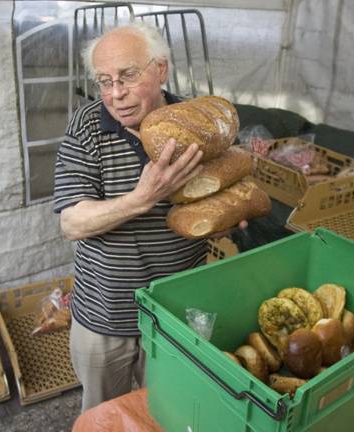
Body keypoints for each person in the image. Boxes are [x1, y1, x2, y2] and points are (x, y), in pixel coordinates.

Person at [53, 23, 243, 411]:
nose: (116, 94)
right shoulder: (88, 126)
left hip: (177, 316)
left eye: (127, 76)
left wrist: (228, 213)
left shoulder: (199, 124)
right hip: (106, 320)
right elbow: (72, 222)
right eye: (104, 81)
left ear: (161, 70)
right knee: (105, 417)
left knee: (170, 412)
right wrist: (143, 198)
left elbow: (229, 193)